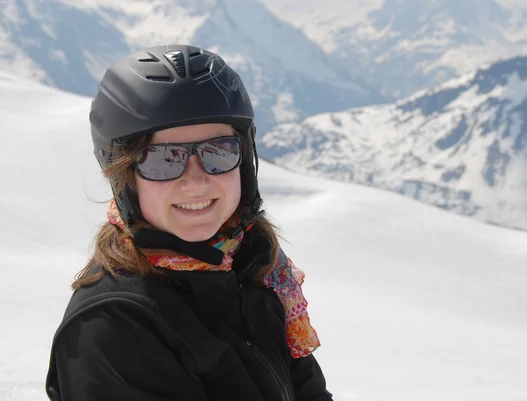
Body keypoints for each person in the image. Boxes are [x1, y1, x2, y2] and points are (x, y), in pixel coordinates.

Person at [45, 45, 333, 401]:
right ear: (126, 179)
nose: (195, 181)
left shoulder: (257, 270)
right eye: (163, 159)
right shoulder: (115, 325)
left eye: (218, 151)